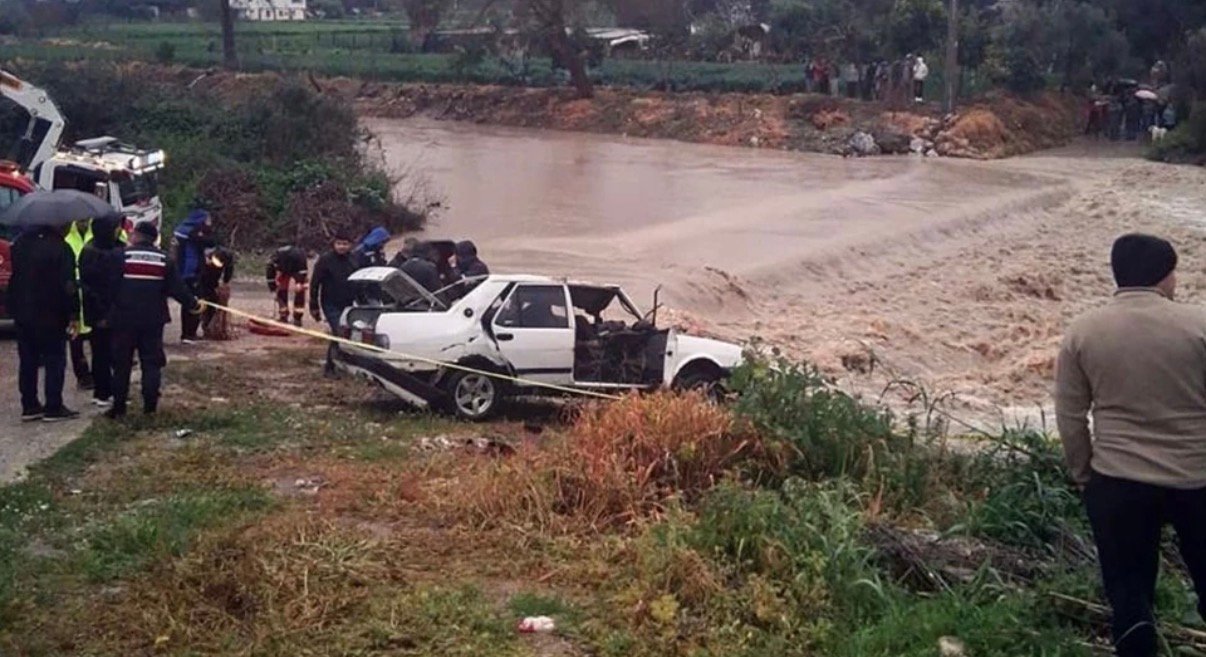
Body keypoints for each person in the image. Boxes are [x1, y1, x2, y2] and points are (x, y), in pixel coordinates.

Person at [1055, 234, 1206, 657]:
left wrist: (1085, 473)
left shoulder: (1083, 331)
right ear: (1166, 276)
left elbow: (1069, 416)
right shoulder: (1199, 326)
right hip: (1197, 478)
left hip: (1118, 480)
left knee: (1129, 595)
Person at [104, 223, 200, 419]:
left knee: (121, 364)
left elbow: (109, 287)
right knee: (151, 363)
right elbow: (177, 288)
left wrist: (107, 313)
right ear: (153, 238)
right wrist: (193, 304)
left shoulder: (120, 256)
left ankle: (119, 407)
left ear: (138, 235)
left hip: (124, 319)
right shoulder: (164, 260)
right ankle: (149, 408)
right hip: (152, 320)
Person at [9, 224, 80, 422]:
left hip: (23, 311)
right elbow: (68, 285)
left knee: (28, 360)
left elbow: (16, 278)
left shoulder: (20, 244)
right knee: (54, 359)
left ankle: (29, 405)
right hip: (51, 313)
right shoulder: (61, 248)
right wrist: (74, 313)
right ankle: (53, 406)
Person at [77, 213, 126, 409]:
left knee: (116, 353)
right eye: (115, 227)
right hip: (100, 311)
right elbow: (91, 286)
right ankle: (103, 391)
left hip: (115, 309)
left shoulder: (116, 248)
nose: (119, 231)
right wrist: (102, 312)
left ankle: (116, 389)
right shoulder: (92, 253)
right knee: (101, 353)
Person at [310, 232, 358, 376]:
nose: (342, 247)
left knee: (346, 334)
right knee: (338, 332)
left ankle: (341, 363)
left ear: (350, 245)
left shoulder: (354, 260)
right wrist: (314, 305)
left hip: (348, 304)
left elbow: (358, 281)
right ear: (334, 244)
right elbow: (315, 283)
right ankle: (329, 368)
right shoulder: (325, 260)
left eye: (345, 244)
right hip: (330, 303)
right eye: (339, 244)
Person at [173, 209, 215, 344]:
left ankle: (188, 333)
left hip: (184, 270)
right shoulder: (191, 233)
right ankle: (189, 334)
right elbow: (210, 242)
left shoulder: (182, 230)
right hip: (190, 271)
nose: (209, 223)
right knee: (195, 303)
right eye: (207, 220)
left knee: (188, 303)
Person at [64, 218, 95, 391]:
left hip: (91, 291)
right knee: (75, 339)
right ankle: (83, 376)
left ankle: (99, 374)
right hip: (73, 291)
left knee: (98, 339)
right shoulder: (67, 236)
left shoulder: (95, 233)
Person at [266, 245, 310, 326]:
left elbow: (303, 271)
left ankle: (298, 318)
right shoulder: (273, 262)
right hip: (283, 269)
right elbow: (270, 276)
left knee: (300, 290)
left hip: (298, 268)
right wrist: (273, 289)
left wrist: (299, 282)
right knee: (281, 289)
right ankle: (283, 315)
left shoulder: (299, 257)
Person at [198, 245, 234, 339]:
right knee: (205, 303)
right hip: (202, 280)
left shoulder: (227, 257)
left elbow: (229, 271)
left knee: (214, 302)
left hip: (214, 280)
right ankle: (205, 327)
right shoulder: (204, 257)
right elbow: (200, 276)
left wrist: (225, 282)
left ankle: (213, 327)